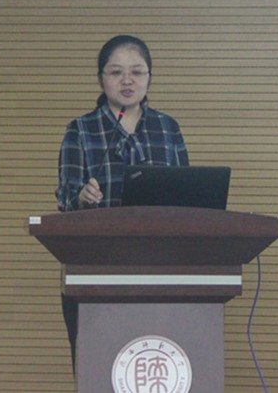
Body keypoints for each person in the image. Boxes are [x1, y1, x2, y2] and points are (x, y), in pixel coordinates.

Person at [55, 34, 189, 369]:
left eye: (137, 72)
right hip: (96, 270)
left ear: (149, 77)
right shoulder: (80, 130)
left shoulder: (167, 128)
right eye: (116, 72)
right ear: (101, 79)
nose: (127, 80)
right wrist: (81, 197)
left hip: (161, 270)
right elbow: (65, 203)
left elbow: (187, 199)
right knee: (100, 370)